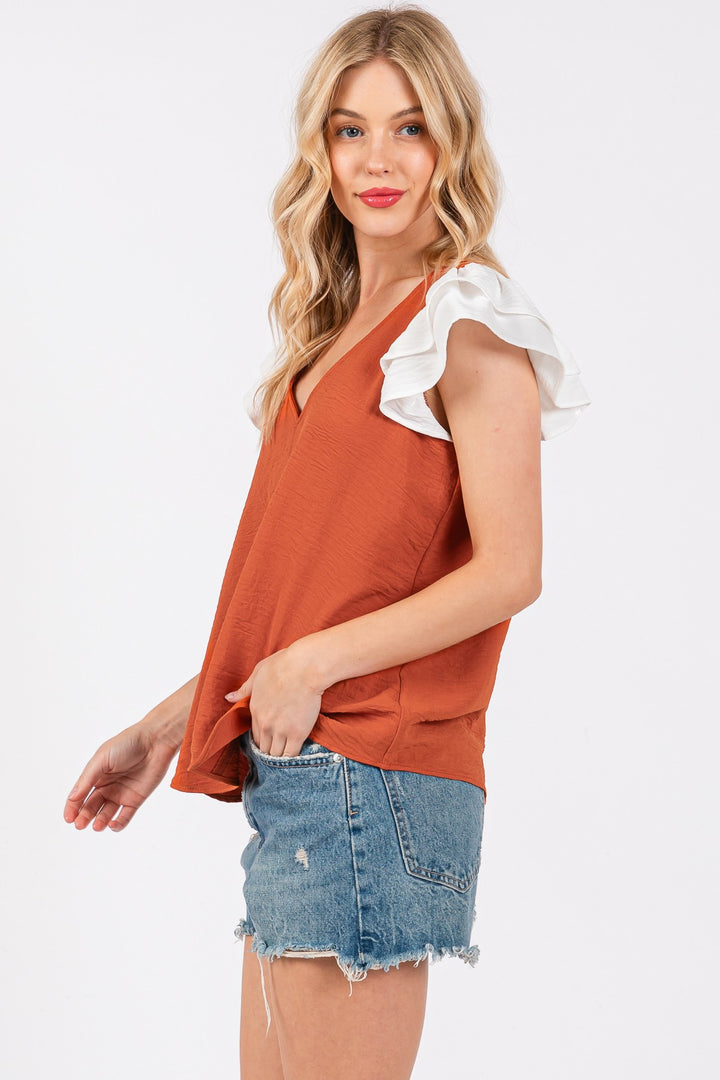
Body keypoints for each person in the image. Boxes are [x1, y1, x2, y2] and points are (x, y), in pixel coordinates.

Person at [63, 6, 590, 1078]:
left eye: (410, 127)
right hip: (307, 777)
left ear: (453, 141)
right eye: (351, 130)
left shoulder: (466, 318)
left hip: (374, 779)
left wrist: (308, 666)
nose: (377, 161)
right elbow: (305, 596)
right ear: (321, 148)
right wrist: (167, 727)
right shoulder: (334, 334)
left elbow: (511, 568)